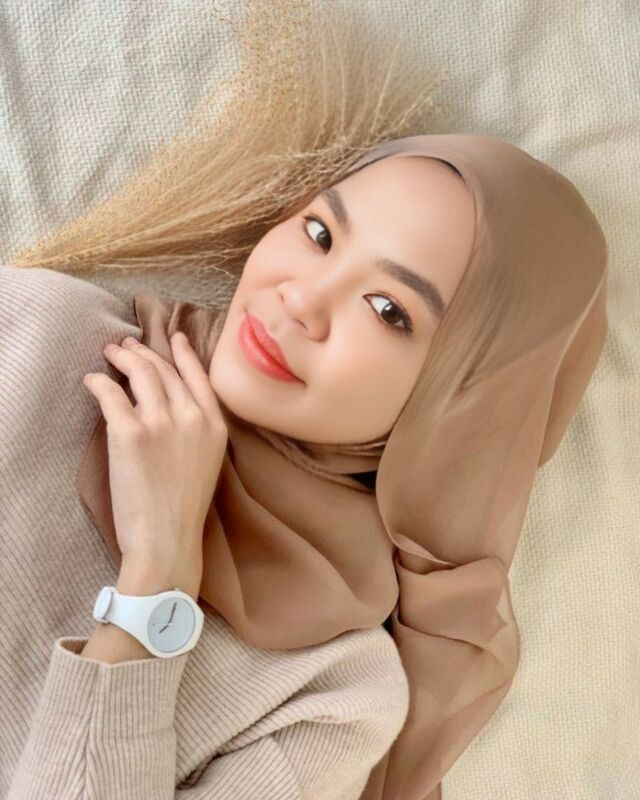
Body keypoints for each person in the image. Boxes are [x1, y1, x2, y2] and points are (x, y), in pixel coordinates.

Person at [2, 2, 608, 798]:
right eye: (321, 234)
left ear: (460, 409)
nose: (302, 299)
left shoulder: (334, 700)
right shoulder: (38, 332)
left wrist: (161, 573)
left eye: (388, 310)